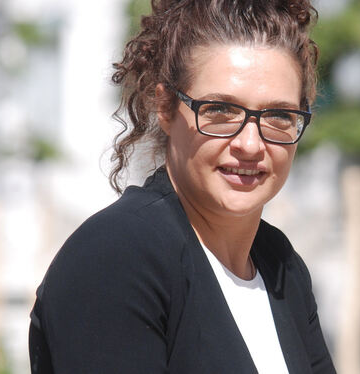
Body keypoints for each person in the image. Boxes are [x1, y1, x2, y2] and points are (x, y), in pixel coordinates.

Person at [28, 0, 336, 372]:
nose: (251, 144)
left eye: (278, 116)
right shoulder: (118, 255)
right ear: (167, 107)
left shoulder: (280, 265)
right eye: (220, 110)